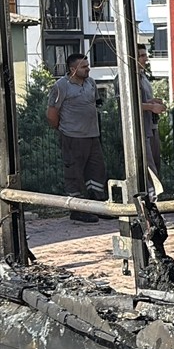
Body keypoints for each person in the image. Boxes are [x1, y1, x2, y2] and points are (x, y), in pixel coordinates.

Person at [46, 54, 108, 223]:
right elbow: (52, 114)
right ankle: (77, 209)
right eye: (83, 67)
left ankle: (98, 206)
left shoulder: (91, 83)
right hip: (72, 137)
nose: (87, 69)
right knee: (74, 173)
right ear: (73, 70)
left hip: (92, 135)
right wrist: (65, 130)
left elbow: (95, 104)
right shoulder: (61, 86)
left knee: (97, 170)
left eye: (88, 66)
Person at [137, 45, 167, 177]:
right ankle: (152, 195)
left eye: (146, 55)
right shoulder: (127, 79)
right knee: (149, 167)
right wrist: (151, 107)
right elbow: (127, 105)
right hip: (139, 130)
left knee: (155, 163)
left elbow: (141, 100)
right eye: (142, 56)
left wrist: (152, 101)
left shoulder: (143, 76)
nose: (146, 59)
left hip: (151, 125)